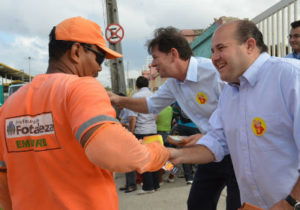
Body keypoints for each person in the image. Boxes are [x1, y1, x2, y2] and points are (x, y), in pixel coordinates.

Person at [0, 16, 169, 210]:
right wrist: (156, 153)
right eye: (100, 58)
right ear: (76, 51)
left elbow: (4, 180)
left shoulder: (9, 106)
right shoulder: (79, 88)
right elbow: (112, 151)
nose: (98, 68)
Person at [168, 19, 300, 210]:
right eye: (213, 51)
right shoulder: (229, 94)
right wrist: (174, 155)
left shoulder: (290, 78)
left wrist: (291, 202)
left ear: (249, 45)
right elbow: (217, 142)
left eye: (221, 48)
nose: (214, 58)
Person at [109, 27, 241, 210]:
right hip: (209, 151)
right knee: (197, 203)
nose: (153, 64)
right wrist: (118, 100)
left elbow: (240, 113)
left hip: (238, 152)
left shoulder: (213, 73)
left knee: (237, 205)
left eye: (156, 57)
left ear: (173, 54)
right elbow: (150, 105)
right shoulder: (173, 83)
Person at [127, 76, 159, 195]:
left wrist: (131, 132)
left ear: (136, 86)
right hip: (152, 130)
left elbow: (132, 118)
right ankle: (156, 184)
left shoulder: (135, 97)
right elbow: (156, 116)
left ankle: (148, 186)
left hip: (141, 131)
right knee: (154, 157)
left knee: (144, 159)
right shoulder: (154, 96)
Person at [170, 101, 198, 185]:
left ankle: (189, 178)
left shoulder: (180, 99)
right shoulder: (198, 96)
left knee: (185, 152)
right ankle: (198, 175)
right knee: (199, 151)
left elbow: (175, 112)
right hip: (196, 126)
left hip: (182, 126)